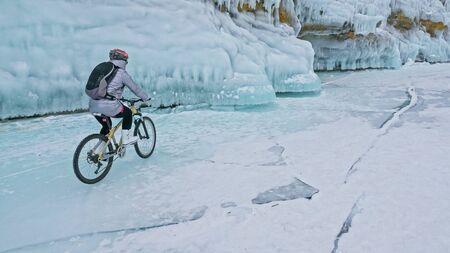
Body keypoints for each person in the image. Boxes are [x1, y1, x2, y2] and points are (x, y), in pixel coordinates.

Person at [89, 48, 149, 145]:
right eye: (126, 60)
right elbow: (135, 88)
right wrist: (146, 98)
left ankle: (98, 153)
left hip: (93, 105)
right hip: (109, 107)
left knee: (106, 127)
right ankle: (125, 140)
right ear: (123, 60)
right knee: (128, 113)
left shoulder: (103, 70)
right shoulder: (121, 73)